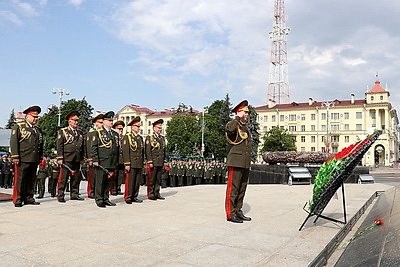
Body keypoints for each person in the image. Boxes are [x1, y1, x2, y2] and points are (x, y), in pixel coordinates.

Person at [10, 105, 44, 207]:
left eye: (37, 117)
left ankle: (29, 197)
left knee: (31, 179)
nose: (36, 119)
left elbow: (40, 144)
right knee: (20, 179)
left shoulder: (38, 129)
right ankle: (18, 199)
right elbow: (14, 142)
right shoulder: (19, 127)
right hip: (23, 157)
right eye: (34, 117)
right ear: (27, 116)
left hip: (34, 158)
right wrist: (15, 156)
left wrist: (40, 156)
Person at [225, 100, 252, 223]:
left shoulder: (244, 127)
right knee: (233, 189)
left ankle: (238, 211)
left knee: (242, 188)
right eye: (245, 112)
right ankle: (230, 214)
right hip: (235, 161)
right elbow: (229, 130)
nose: (247, 114)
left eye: (247, 112)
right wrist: (237, 117)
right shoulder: (234, 124)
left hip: (244, 162)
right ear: (239, 112)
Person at [91, 111, 119, 208]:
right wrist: (95, 159)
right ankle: (99, 199)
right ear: (104, 122)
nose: (111, 122)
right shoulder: (98, 133)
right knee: (100, 181)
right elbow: (94, 147)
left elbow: (117, 149)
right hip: (101, 161)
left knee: (108, 182)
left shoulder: (115, 134)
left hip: (111, 161)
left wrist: (116, 161)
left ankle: (106, 198)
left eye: (112, 120)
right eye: (109, 121)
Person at [56, 110, 85, 202]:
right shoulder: (63, 131)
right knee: (63, 178)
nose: (76, 122)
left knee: (76, 178)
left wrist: (82, 157)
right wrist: (60, 157)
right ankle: (60, 195)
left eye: (77, 121)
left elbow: (82, 146)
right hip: (67, 158)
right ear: (69, 121)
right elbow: (59, 145)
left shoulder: (80, 132)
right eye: (74, 120)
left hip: (77, 158)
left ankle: (74, 194)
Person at [122, 116, 144, 204]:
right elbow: (126, 151)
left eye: (139, 127)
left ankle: (135, 196)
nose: (138, 128)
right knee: (130, 181)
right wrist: (127, 163)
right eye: (137, 126)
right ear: (132, 127)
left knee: (137, 181)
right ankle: (128, 196)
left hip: (138, 162)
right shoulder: (127, 137)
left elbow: (141, 151)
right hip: (131, 162)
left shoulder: (140, 138)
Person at [145, 119, 166, 200]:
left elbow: (164, 150)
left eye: (160, 128)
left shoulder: (162, 138)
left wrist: (164, 160)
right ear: (154, 128)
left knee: (158, 178)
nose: (160, 130)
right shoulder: (150, 137)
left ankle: (157, 192)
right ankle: (151, 193)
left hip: (160, 161)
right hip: (153, 161)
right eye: (158, 128)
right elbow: (148, 150)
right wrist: (149, 161)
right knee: (152, 179)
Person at [86, 114, 104, 198]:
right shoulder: (91, 133)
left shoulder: (102, 133)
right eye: (100, 123)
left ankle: (97, 191)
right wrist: (90, 159)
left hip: (100, 159)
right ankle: (91, 191)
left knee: (98, 177)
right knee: (92, 176)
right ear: (96, 123)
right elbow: (89, 147)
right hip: (93, 159)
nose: (102, 124)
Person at [111, 120, 125, 196]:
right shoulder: (113, 137)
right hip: (115, 159)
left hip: (122, 159)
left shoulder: (124, 138)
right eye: (119, 129)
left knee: (120, 175)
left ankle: (118, 188)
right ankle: (113, 189)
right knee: (114, 174)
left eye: (121, 129)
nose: (120, 131)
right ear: (115, 129)